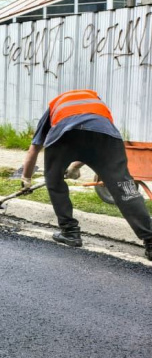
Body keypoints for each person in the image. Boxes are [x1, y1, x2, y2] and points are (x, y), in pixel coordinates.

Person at [20, 89, 152, 259]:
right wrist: (75, 166)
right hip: (105, 138)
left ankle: (70, 232)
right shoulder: (98, 106)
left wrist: (26, 178)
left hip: (65, 135)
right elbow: (93, 142)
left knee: (54, 180)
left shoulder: (55, 106)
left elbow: (34, 149)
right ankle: (150, 240)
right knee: (124, 188)